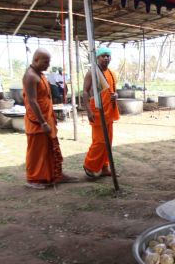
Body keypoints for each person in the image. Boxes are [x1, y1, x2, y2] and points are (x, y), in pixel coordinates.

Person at [22, 49, 77, 188]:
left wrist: (50, 117)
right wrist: (43, 122)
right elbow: (32, 101)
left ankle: (56, 174)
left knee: (50, 148)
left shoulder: (39, 74)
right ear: (36, 60)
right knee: (37, 151)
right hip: (37, 121)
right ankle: (34, 179)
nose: (48, 65)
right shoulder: (30, 76)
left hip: (47, 117)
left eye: (49, 62)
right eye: (46, 62)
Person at [82, 46, 120, 178]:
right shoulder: (92, 72)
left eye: (108, 56)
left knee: (108, 141)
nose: (106, 58)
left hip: (110, 111)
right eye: (103, 56)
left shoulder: (112, 73)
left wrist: (115, 95)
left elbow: (113, 91)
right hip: (97, 111)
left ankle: (104, 167)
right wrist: (88, 111)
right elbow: (85, 92)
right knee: (99, 141)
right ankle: (89, 165)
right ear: (97, 58)